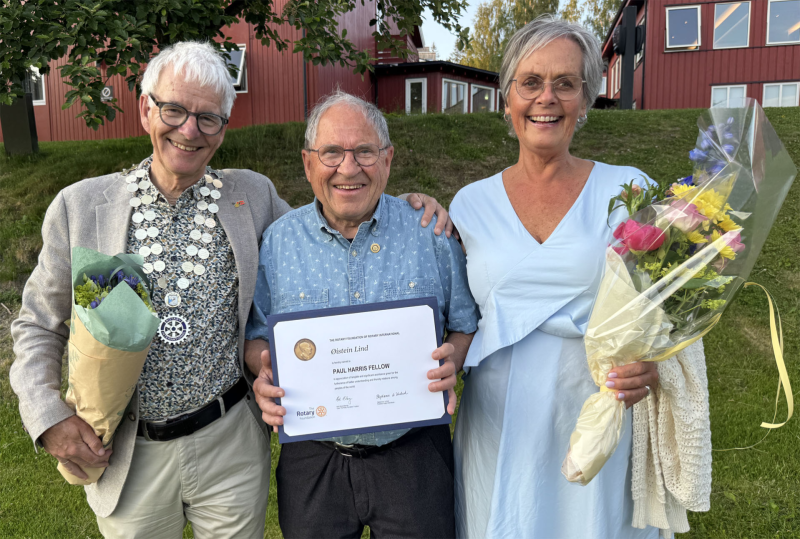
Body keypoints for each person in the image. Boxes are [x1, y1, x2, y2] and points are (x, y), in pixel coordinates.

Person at [9, 42, 450, 538]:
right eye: (174, 110)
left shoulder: (250, 196)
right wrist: (47, 416)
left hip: (231, 444)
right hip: (129, 451)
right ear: (146, 109)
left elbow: (329, 229)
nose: (189, 130)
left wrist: (402, 209)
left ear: (223, 127)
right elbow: (37, 324)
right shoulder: (82, 207)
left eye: (208, 118)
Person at [449, 16, 712, 539]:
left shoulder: (629, 191)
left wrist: (655, 369)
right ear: (507, 98)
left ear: (585, 99)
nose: (546, 98)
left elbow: (669, 311)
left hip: (597, 416)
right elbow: (453, 313)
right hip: (500, 425)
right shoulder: (468, 205)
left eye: (565, 83)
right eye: (530, 82)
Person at [245, 89, 479, 538]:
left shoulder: (429, 233)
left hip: (413, 454)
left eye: (365, 152)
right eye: (331, 152)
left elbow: (464, 324)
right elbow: (256, 335)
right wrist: (265, 371)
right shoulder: (278, 242)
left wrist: (454, 358)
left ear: (387, 160)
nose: (348, 168)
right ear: (308, 163)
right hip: (314, 457)